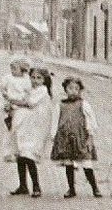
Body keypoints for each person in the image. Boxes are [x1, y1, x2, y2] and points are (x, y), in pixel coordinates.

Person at [49, 77, 101, 197]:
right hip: (65, 138)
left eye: (76, 89)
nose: (73, 91)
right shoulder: (60, 105)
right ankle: (71, 188)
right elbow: (55, 121)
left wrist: (90, 136)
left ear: (80, 90)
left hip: (80, 137)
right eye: (70, 88)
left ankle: (95, 188)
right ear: (65, 90)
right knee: (68, 163)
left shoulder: (83, 104)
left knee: (86, 162)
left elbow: (90, 120)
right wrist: (54, 136)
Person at [7, 66, 54, 197]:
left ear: (44, 80)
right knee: (21, 154)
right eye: (33, 77)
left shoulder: (42, 90)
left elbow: (30, 103)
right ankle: (23, 185)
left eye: (39, 78)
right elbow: (24, 101)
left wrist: (13, 101)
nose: (35, 80)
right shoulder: (31, 90)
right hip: (25, 126)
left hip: (35, 128)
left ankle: (36, 186)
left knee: (28, 155)